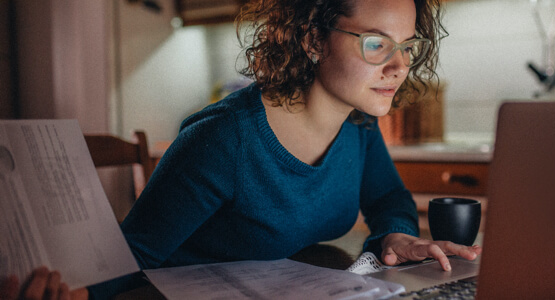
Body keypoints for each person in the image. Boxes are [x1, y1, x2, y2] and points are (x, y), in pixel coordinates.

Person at [95, 0, 482, 298]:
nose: (399, 66)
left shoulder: (359, 123)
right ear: (314, 38)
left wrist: (397, 236)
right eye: (377, 43)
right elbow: (128, 259)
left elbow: (388, 197)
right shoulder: (225, 138)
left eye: (408, 46)